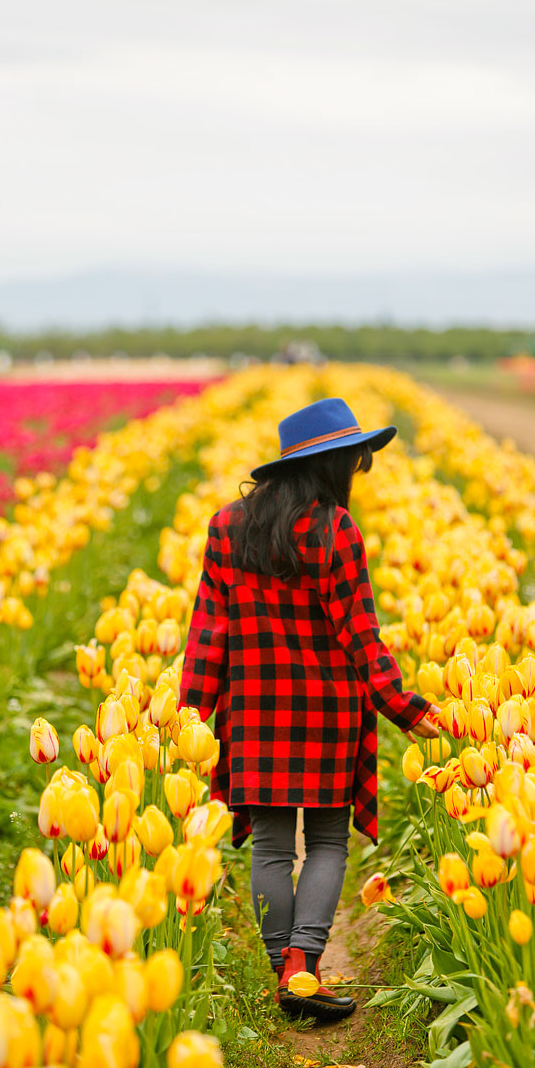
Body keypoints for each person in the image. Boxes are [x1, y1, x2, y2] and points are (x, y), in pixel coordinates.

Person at [180, 397, 440, 1021]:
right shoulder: (333, 529)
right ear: (332, 466)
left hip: (254, 709)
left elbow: (208, 632)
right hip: (327, 712)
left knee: (270, 845)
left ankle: (283, 973)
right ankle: (303, 965)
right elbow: (360, 634)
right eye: (354, 461)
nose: (357, 471)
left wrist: (188, 718)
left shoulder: (226, 526)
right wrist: (405, 709)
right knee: (326, 841)